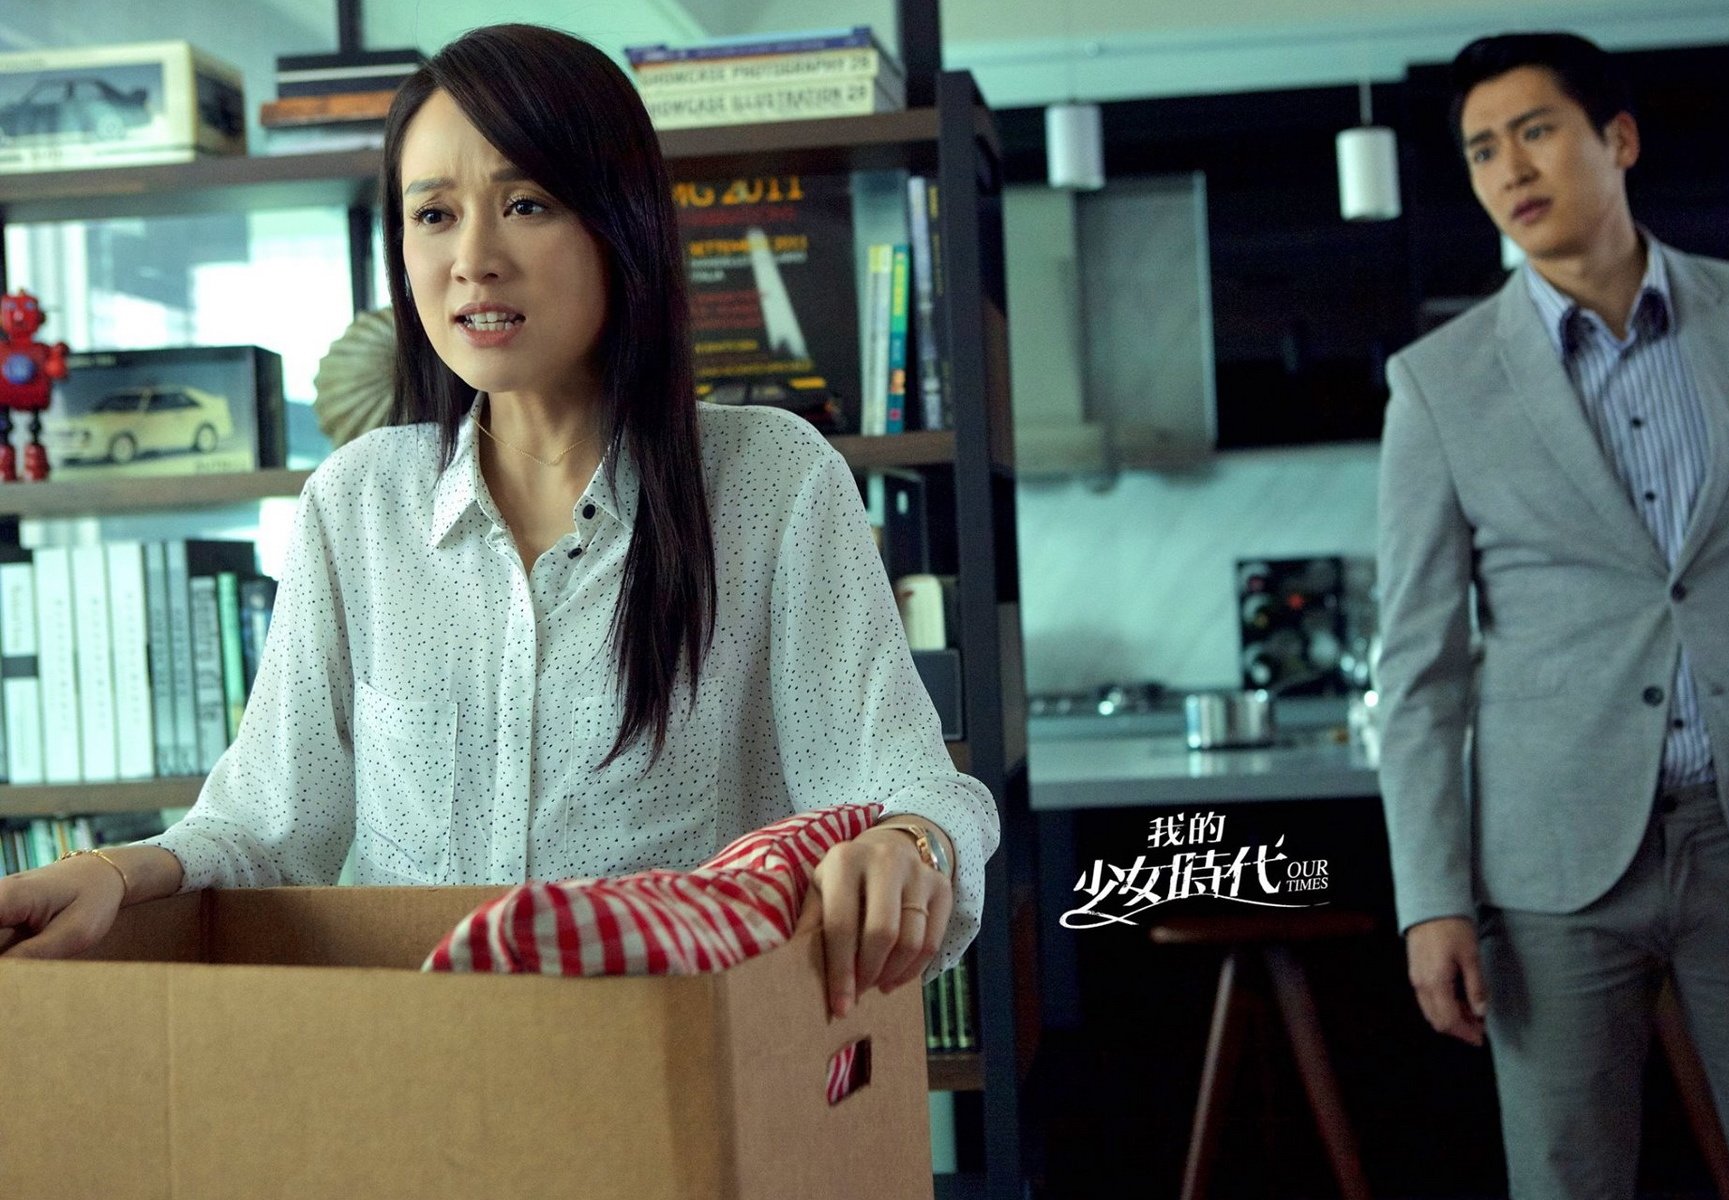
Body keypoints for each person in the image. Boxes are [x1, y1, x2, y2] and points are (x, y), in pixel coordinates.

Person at [0, 24, 998, 1022]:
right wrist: (113, 874)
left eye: (526, 205)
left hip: (668, 1068)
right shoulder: (357, 503)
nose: (473, 260)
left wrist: (909, 842)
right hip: (415, 1067)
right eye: (434, 214)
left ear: (621, 224)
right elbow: (266, 826)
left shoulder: (772, 480)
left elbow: (912, 783)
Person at [1373, 30, 1729, 1199]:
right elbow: (1418, 666)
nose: (1511, 168)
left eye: (1536, 131)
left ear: (1617, 139)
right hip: (1548, 860)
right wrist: (1431, 900)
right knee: (1567, 1184)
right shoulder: (1438, 383)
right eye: (1482, 150)